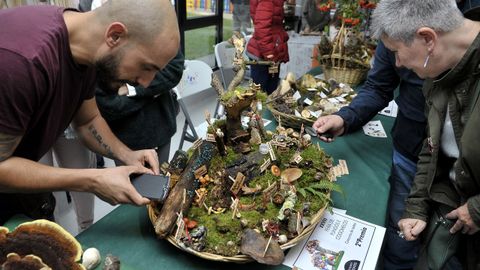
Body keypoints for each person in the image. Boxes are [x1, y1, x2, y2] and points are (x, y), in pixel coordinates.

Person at [0, 0, 180, 224]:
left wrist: (127, 155)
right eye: (146, 67)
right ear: (115, 35)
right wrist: (93, 180)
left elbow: (87, 121)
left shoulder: (85, 47)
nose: (146, 83)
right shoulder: (20, 63)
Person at [371, 0, 480, 268]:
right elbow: (432, 148)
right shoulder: (439, 73)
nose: (397, 63)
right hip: (451, 215)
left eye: (396, 51)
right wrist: (417, 207)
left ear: (427, 38)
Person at [313, 40, 426, 268]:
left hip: (463, 169)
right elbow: (379, 86)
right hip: (411, 147)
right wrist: (345, 118)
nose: (398, 63)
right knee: (402, 235)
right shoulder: (393, 27)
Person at [96, 49, 184, 165]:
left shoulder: (158, 34)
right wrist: (154, 92)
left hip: (162, 124)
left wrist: (134, 90)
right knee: (131, 180)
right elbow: (108, 105)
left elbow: (174, 69)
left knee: (162, 178)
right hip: (124, 136)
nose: (145, 82)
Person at [39, 126, 96, 233]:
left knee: (83, 181)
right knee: (43, 195)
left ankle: (89, 234)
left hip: (67, 120)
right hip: (28, 125)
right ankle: (54, 240)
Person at [246, 0, 289, 94]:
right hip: (264, 55)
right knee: (260, 95)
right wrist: (270, 54)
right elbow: (262, 28)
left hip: (271, 51)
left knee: (270, 91)